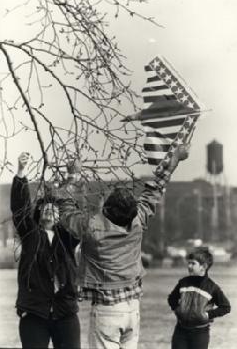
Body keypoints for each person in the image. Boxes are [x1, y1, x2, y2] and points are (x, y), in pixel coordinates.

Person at [60, 144, 190, 349]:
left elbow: (65, 210)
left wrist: (73, 177)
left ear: (107, 209)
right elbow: (155, 188)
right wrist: (173, 160)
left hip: (107, 311)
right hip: (132, 309)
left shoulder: (91, 228)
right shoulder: (138, 220)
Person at [10, 152, 81, 349]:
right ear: (38, 212)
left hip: (65, 313)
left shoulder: (67, 238)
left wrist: (72, 177)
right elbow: (19, 209)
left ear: (61, 215)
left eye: (55, 208)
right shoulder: (31, 234)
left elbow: (73, 214)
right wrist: (21, 173)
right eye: (45, 207)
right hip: (34, 313)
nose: (50, 209)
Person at [168, 246, 231, 349]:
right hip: (180, 331)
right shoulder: (183, 282)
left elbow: (226, 307)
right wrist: (177, 309)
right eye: (188, 263)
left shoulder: (212, 287)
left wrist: (207, 315)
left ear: (204, 266)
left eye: (193, 263)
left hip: (200, 334)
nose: (189, 266)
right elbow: (171, 298)